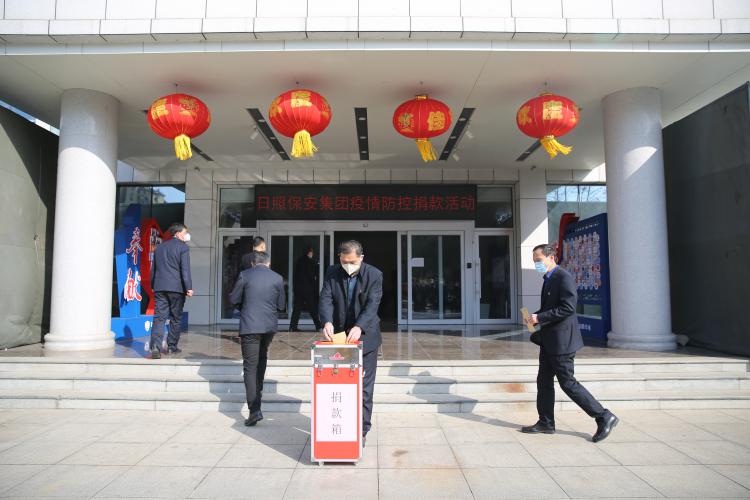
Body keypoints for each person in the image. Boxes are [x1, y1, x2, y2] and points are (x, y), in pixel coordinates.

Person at [522, 243, 618, 442]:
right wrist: (534, 317)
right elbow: (551, 308)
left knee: (568, 383)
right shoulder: (548, 279)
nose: (536, 264)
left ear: (551, 258)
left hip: (562, 342)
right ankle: (546, 422)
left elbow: (568, 307)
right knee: (543, 381)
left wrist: (540, 317)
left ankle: (603, 416)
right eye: (534, 261)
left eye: (538, 260)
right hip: (549, 342)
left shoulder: (563, 277)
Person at [319, 240, 382, 447]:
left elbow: (372, 304)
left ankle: (361, 430)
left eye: (352, 262)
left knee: (364, 387)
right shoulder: (332, 272)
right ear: (339, 258)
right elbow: (326, 298)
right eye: (344, 261)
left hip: (365, 336)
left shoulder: (374, 275)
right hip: (339, 336)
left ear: (361, 258)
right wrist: (327, 321)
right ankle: (341, 424)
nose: (348, 266)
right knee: (339, 383)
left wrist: (359, 326)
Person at [230, 251, 286, 426]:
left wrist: (245, 308)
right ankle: (257, 403)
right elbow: (281, 305)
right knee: (261, 361)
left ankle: (254, 410)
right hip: (268, 327)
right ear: (268, 263)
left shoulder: (244, 275)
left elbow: (233, 298)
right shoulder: (277, 278)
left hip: (249, 326)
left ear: (253, 263)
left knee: (250, 367)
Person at [149, 223, 193, 359]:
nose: (187, 235)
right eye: (185, 232)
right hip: (176, 288)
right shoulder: (183, 247)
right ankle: (171, 347)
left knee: (159, 317)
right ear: (178, 234)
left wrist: (153, 285)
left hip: (160, 287)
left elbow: (153, 269)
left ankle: (155, 347)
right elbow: (185, 270)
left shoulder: (160, 247)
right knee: (175, 318)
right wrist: (189, 287)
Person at [289, 246, 322, 332]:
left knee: (297, 308)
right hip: (308, 289)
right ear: (309, 252)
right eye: (312, 252)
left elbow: (296, 276)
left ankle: (292, 326)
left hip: (299, 289)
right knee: (312, 308)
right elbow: (312, 276)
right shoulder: (311, 262)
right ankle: (318, 326)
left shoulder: (299, 261)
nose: (312, 254)